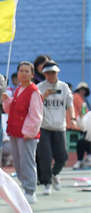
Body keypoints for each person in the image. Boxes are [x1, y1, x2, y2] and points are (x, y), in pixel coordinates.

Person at [2, 61, 44, 204]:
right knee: (19, 163)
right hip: (15, 131)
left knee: (27, 162)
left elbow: (36, 115)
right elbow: (13, 110)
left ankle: (30, 190)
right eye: (21, 71)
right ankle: (25, 187)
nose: (23, 73)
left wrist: (29, 132)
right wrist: (7, 101)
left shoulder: (33, 91)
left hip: (26, 134)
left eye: (27, 71)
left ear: (32, 74)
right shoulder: (18, 89)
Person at [36, 62, 75, 195]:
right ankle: (47, 183)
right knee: (45, 156)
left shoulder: (64, 87)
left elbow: (70, 103)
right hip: (44, 126)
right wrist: (44, 96)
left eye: (53, 73)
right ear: (44, 74)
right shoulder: (40, 87)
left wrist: (73, 118)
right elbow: (33, 105)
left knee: (62, 157)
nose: (51, 76)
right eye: (48, 73)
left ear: (57, 73)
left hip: (59, 127)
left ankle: (54, 174)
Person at [71, 82, 90, 169]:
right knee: (82, 141)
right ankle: (82, 159)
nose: (83, 92)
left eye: (84, 90)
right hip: (74, 123)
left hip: (78, 122)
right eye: (81, 90)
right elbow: (83, 113)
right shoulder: (77, 97)